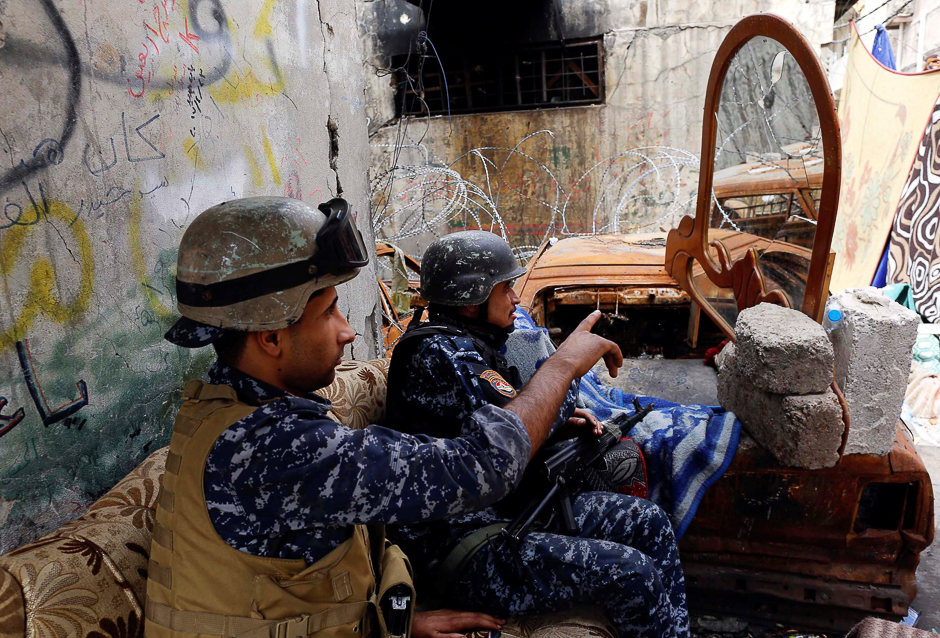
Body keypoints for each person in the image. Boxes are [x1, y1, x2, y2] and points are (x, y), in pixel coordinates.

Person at [144, 197, 622, 638]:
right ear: (270, 337)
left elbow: (286, 583)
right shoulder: (270, 445)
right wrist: (562, 366)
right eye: (330, 313)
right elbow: (482, 467)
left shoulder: (234, 410)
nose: (349, 332)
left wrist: (396, 622)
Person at [385, 230, 691, 638]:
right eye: (506, 287)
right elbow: (520, 426)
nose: (515, 299)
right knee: (631, 573)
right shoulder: (441, 355)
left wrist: (555, 419)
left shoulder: (474, 345)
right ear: (473, 298)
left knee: (649, 521)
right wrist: (564, 368)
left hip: (509, 512)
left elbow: (518, 417)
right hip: (463, 544)